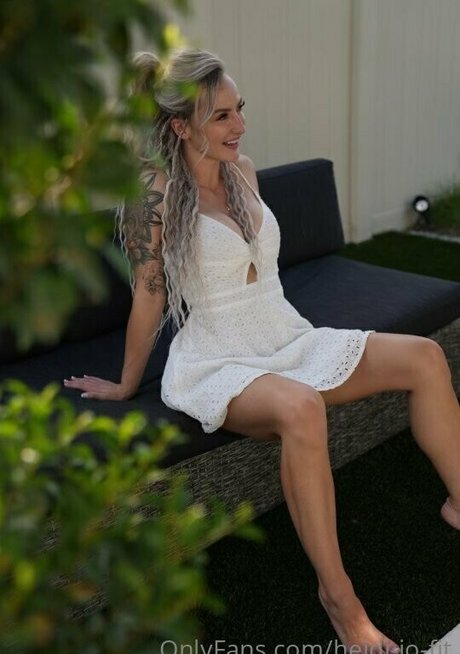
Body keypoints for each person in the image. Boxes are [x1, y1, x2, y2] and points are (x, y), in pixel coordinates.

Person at [64, 48, 460, 652]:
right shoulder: (155, 196)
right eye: (222, 116)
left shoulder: (242, 169)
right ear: (181, 126)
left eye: (239, 109)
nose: (240, 126)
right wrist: (125, 384)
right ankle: (340, 599)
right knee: (302, 407)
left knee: (425, 358)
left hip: (286, 334)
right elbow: (149, 296)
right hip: (218, 358)